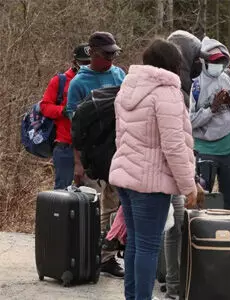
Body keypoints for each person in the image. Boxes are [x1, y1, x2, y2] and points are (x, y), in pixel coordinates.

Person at [108, 38, 198, 300]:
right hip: (150, 183)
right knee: (148, 245)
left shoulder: (128, 85)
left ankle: (134, 297)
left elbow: (120, 134)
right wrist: (188, 186)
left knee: (135, 243)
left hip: (125, 176)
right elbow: (174, 146)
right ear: (174, 65)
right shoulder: (166, 92)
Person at [65, 31, 126, 278]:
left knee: (113, 205)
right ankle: (88, 254)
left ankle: (108, 257)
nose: (111, 59)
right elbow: (75, 125)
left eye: (114, 54)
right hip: (92, 154)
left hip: (117, 151)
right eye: (106, 54)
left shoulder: (119, 74)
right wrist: (78, 163)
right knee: (92, 205)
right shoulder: (79, 82)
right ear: (92, 53)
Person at [189, 36, 230, 210]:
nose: (217, 65)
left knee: (228, 201)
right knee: (203, 201)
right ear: (204, 61)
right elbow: (190, 120)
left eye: (221, 61)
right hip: (205, 150)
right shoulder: (195, 84)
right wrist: (212, 109)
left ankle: (227, 234)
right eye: (214, 61)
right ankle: (204, 233)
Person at [163, 29, 203, 300]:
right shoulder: (173, 91)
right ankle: (172, 284)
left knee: (173, 227)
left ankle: (173, 283)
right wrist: (189, 181)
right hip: (168, 175)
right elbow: (174, 144)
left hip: (168, 173)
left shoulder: (180, 88)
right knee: (170, 227)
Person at [40, 43, 91, 189]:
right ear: (75, 61)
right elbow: (45, 106)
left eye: (89, 62)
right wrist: (65, 110)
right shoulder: (60, 81)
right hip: (65, 145)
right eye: (83, 62)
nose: (86, 65)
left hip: (91, 147)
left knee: (90, 194)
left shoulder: (95, 79)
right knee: (62, 192)